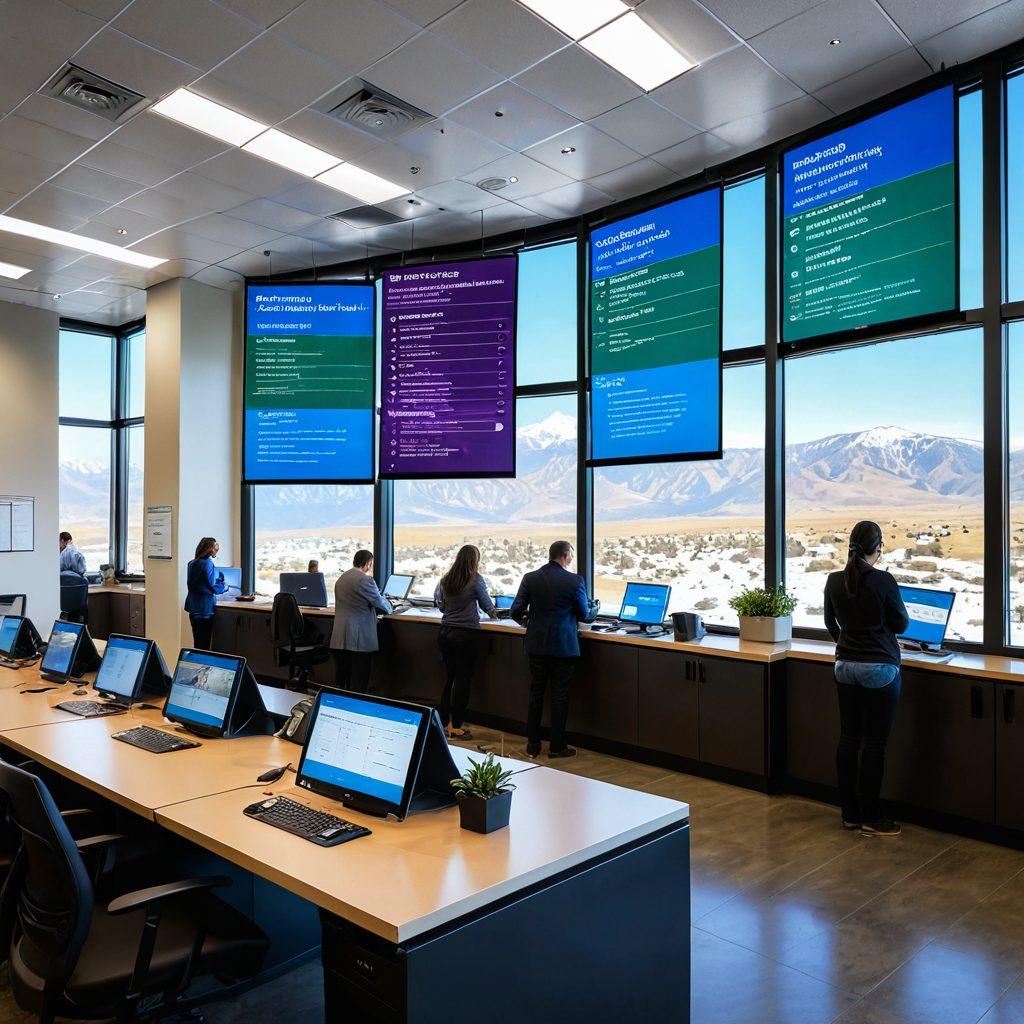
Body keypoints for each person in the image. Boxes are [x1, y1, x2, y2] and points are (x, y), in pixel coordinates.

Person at [824, 520, 909, 838]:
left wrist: (847, 643)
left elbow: (829, 622)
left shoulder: (833, 580)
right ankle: (872, 817)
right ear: (878, 548)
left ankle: (849, 814)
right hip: (879, 669)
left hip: (844, 666)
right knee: (875, 744)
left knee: (848, 739)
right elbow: (901, 624)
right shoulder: (884, 580)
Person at [511, 540, 597, 760]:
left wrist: (528, 623)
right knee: (560, 697)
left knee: (536, 694)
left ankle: (533, 744)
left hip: (536, 645)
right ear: (566, 555)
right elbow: (584, 614)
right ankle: (557, 747)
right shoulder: (574, 581)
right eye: (571, 555)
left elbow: (515, 611)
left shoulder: (530, 578)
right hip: (563, 647)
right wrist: (595, 608)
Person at [434, 545, 496, 741]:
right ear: (474, 561)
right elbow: (488, 607)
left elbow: (442, 606)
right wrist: (496, 614)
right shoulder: (476, 579)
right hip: (466, 635)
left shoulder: (446, 579)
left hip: (445, 633)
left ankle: (444, 723)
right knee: (463, 681)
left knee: (449, 678)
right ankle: (457, 726)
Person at [330, 549, 392, 692]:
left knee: (343, 676)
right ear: (368, 563)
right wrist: (390, 605)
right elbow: (380, 603)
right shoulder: (365, 579)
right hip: (358, 636)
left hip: (340, 634)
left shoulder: (342, 578)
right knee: (360, 676)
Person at [184, 537, 227, 650]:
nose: (216, 551)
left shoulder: (192, 563)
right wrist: (223, 586)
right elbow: (211, 588)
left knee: (198, 643)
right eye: (215, 548)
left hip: (193, 607)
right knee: (205, 645)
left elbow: (197, 584)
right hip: (205, 608)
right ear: (209, 549)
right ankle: (204, 667)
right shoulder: (208, 563)